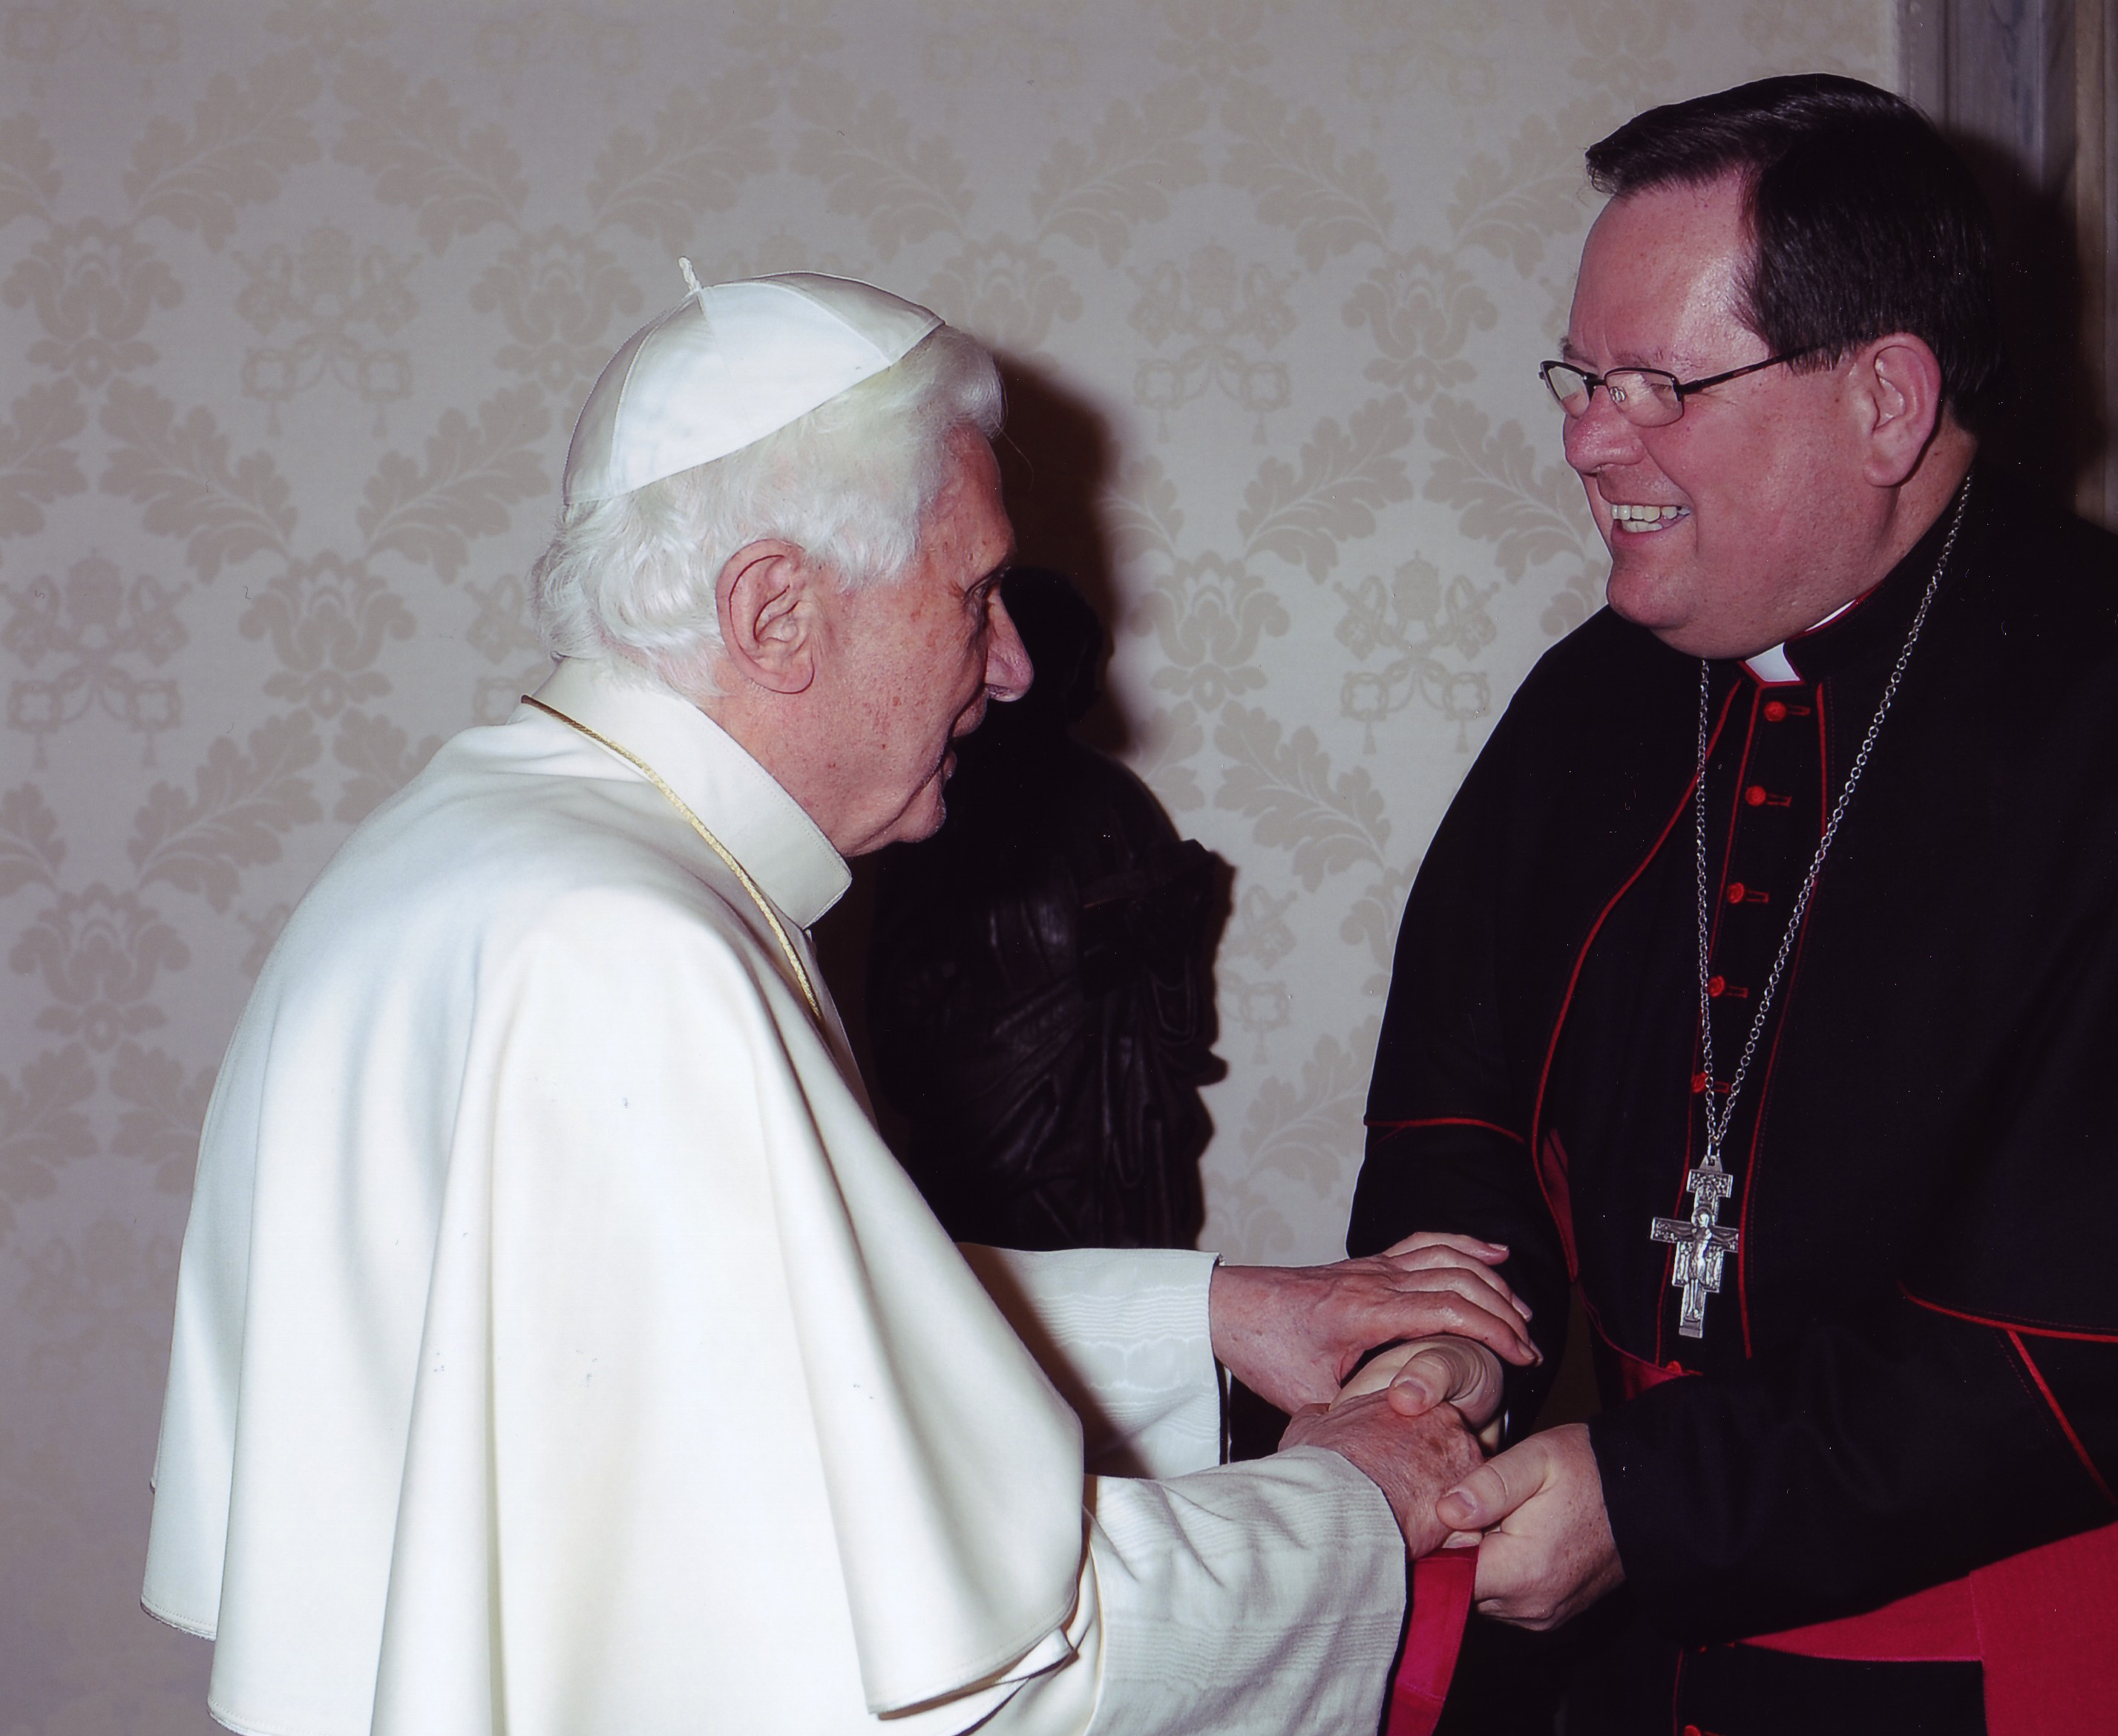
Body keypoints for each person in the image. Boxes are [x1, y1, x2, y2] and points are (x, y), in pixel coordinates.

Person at [142, 271, 1532, 1736]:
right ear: (776, 611)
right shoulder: (633, 949)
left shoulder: (481, 842)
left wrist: (1214, 1313)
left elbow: (739, 1343)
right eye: (974, 593)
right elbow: (997, 1679)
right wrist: (1350, 1500)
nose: (1013, 665)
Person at [1346, 76, 2118, 1735]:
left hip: (2058, 1639)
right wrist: (1439, 1348)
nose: (1588, 439)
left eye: (1658, 384)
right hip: (1659, 1644)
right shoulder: (1590, 708)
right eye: (1583, 379)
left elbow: (2108, 1333)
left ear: (1886, 401)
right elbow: (1461, 1110)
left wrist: (1658, 1497)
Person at [855, 566, 1224, 1251]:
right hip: (984, 1150)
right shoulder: (938, 809)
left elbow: (1172, 1023)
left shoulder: (1111, 798)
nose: (1092, 683)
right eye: (1081, 658)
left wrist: (1157, 936)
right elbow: (898, 1014)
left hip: (1106, 1142)